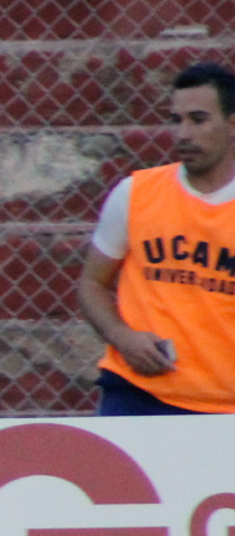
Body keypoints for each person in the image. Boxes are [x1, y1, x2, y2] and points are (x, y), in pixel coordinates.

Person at [76, 61, 235, 415]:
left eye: (198, 119)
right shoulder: (135, 193)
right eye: (175, 120)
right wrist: (122, 338)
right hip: (138, 394)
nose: (183, 133)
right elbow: (92, 284)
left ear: (232, 123)